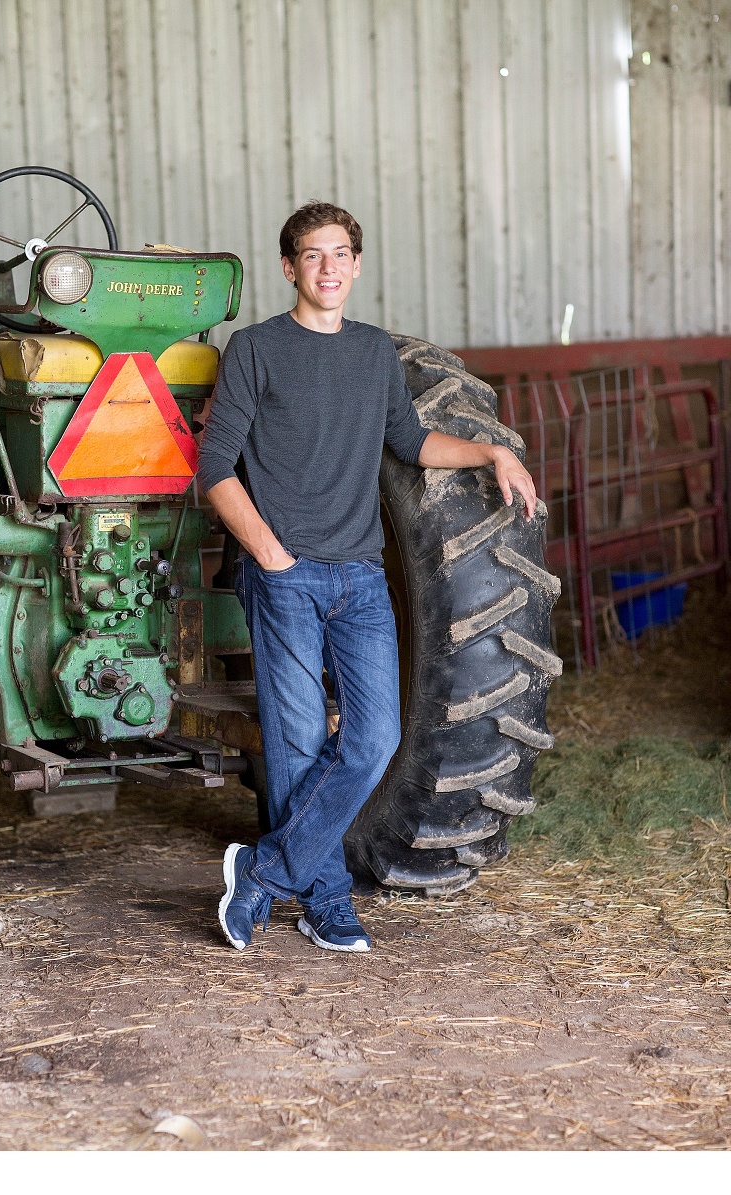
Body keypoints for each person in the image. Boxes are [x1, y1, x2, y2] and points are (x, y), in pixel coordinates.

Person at [197, 201, 536, 953]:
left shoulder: (373, 352)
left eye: (341, 253)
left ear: (355, 264)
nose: (328, 267)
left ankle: (261, 872)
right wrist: (269, 554)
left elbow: (411, 442)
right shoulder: (255, 349)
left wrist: (490, 453)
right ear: (289, 267)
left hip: (359, 580)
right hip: (285, 576)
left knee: (375, 739)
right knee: (292, 745)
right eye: (312, 255)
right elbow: (214, 469)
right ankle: (324, 898)